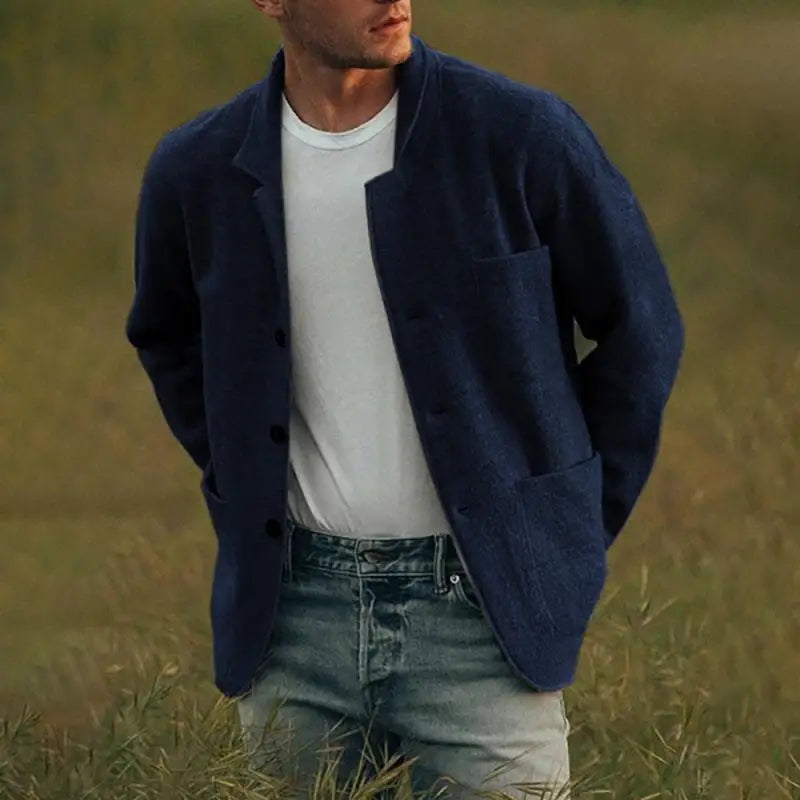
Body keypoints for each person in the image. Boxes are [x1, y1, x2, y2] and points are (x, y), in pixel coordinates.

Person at [125, 0, 685, 796]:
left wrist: (561, 528)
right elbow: (166, 337)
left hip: (481, 624)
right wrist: (241, 473)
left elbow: (642, 331)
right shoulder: (196, 170)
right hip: (294, 627)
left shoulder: (520, 135)